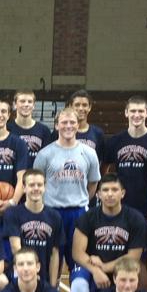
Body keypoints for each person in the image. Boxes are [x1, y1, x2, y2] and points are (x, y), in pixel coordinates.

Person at [68, 173, 147, 292]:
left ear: (123, 193)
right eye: (105, 190)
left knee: (138, 275)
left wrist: (104, 267)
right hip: (90, 268)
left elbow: (133, 257)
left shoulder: (135, 219)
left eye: (114, 190)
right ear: (98, 194)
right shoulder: (88, 217)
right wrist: (95, 271)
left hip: (120, 268)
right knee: (78, 285)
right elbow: (77, 253)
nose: (110, 194)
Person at [34, 107, 100, 278]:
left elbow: (93, 183)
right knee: (50, 264)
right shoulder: (44, 154)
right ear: (56, 125)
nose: (68, 126)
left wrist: (82, 199)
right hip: (51, 212)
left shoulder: (89, 153)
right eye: (64, 122)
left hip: (78, 212)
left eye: (72, 122)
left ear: (78, 125)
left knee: (79, 266)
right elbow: (36, 184)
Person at [4, 168, 65, 288]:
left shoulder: (54, 216)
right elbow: (16, 248)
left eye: (39, 185)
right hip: (21, 272)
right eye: (31, 185)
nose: (36, 188)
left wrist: (52, 287)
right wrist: (31, 274)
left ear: (44, 187)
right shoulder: (12, 213)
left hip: (44, 276)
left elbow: (54, 255)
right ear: (24, 188)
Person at [105, 96, 147, 216]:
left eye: (141, 111)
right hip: (120, 202)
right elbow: (104, 169)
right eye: (133, 111)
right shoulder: (115, 140)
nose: (137, 115)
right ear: (126, 113)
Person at [8, 89, 53, 166]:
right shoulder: (7, 128)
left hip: (36, 175)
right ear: (15, 105)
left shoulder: (44, 130)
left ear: (34, 105)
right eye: (22, 101)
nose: (26, 104)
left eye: (30, 102)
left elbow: (47, 158)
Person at [70, 90, 106, 158]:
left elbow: (101, 159)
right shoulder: (62, 132)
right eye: (77, 105)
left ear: (89, 107)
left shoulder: (97, 133)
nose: (81, 108)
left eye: (84, 105)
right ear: (71, 106)